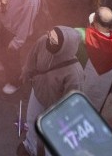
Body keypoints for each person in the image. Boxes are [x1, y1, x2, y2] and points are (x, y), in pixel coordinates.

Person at [18, 26, 84, 156]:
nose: (50, 41)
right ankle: (30, 147)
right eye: (50, 37)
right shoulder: (44, 41)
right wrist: (26, 72)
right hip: (37, 92)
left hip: (54, 108)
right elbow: (32, 57)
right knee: (31, 121)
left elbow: (72, 101)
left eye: (54, 41)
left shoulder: (75, 73)